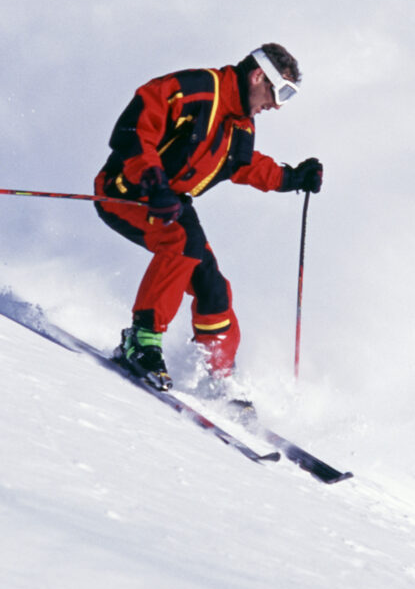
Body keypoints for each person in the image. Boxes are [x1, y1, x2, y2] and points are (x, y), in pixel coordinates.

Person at [94, 43, 322, 397]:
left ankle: (219, 378)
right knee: (183, 242)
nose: (276, 105)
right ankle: (140, 342)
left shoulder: (242, 125)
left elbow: (244, 165)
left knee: (213, 286)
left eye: (287, 98)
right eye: (278, 92)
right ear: (257, 75)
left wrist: (292, 178)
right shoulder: (198, 89)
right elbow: (135, 129)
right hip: (126, 190)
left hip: (173, 203)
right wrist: (153, 182)